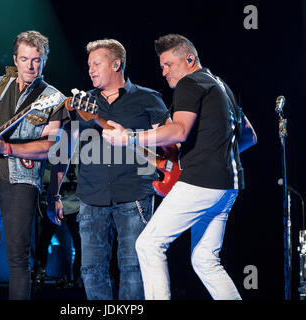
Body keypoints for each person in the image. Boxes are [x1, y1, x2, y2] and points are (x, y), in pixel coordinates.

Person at [102, 34, 257, 300]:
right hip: (228, 187)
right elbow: (249, 136)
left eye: (169, 64)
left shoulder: (190, 83)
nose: (164, 72)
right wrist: (215, 154)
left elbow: (179, 131)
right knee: (205, 259)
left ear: (189, 59)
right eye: (161, 66)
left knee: (149, 243)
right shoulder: (221, 86)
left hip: (201, 183)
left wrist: (128, 137)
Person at [0, 30, 69, 300]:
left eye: (37, 60)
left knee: (18, 258)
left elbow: (52, 146)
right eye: (25, 59)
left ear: (44, 61)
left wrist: (8, 148)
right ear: (15, 59)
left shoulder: (53, 97)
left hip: (21, 181)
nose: (31, 65)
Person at [66, 39, 168, 300]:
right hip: (91, 195)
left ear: (116, 64)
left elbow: (170, 140)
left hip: (134, 193)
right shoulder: (83, 102)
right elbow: (65, 146)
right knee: (90, 270)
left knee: (133, 267)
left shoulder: (148, 98)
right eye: (89, 65)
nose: (90, 69)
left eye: (96, 63)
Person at [33, 162, 82, 288]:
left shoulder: (81, 149)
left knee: (80, 244)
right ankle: (40, 273)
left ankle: (78, 277)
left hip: (75, 205)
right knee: (43, 241)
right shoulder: (52, 149)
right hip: (52, 205)